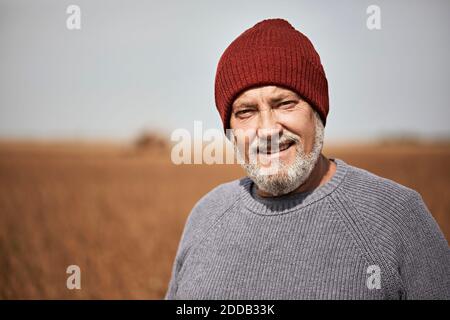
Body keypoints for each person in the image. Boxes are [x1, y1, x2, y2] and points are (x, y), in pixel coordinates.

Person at [165, 18, 450, 299]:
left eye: (285, 103)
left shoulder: (396, 217)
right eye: (246, 112)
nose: (267, 130)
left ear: (317, 112)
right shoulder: (206, 216)